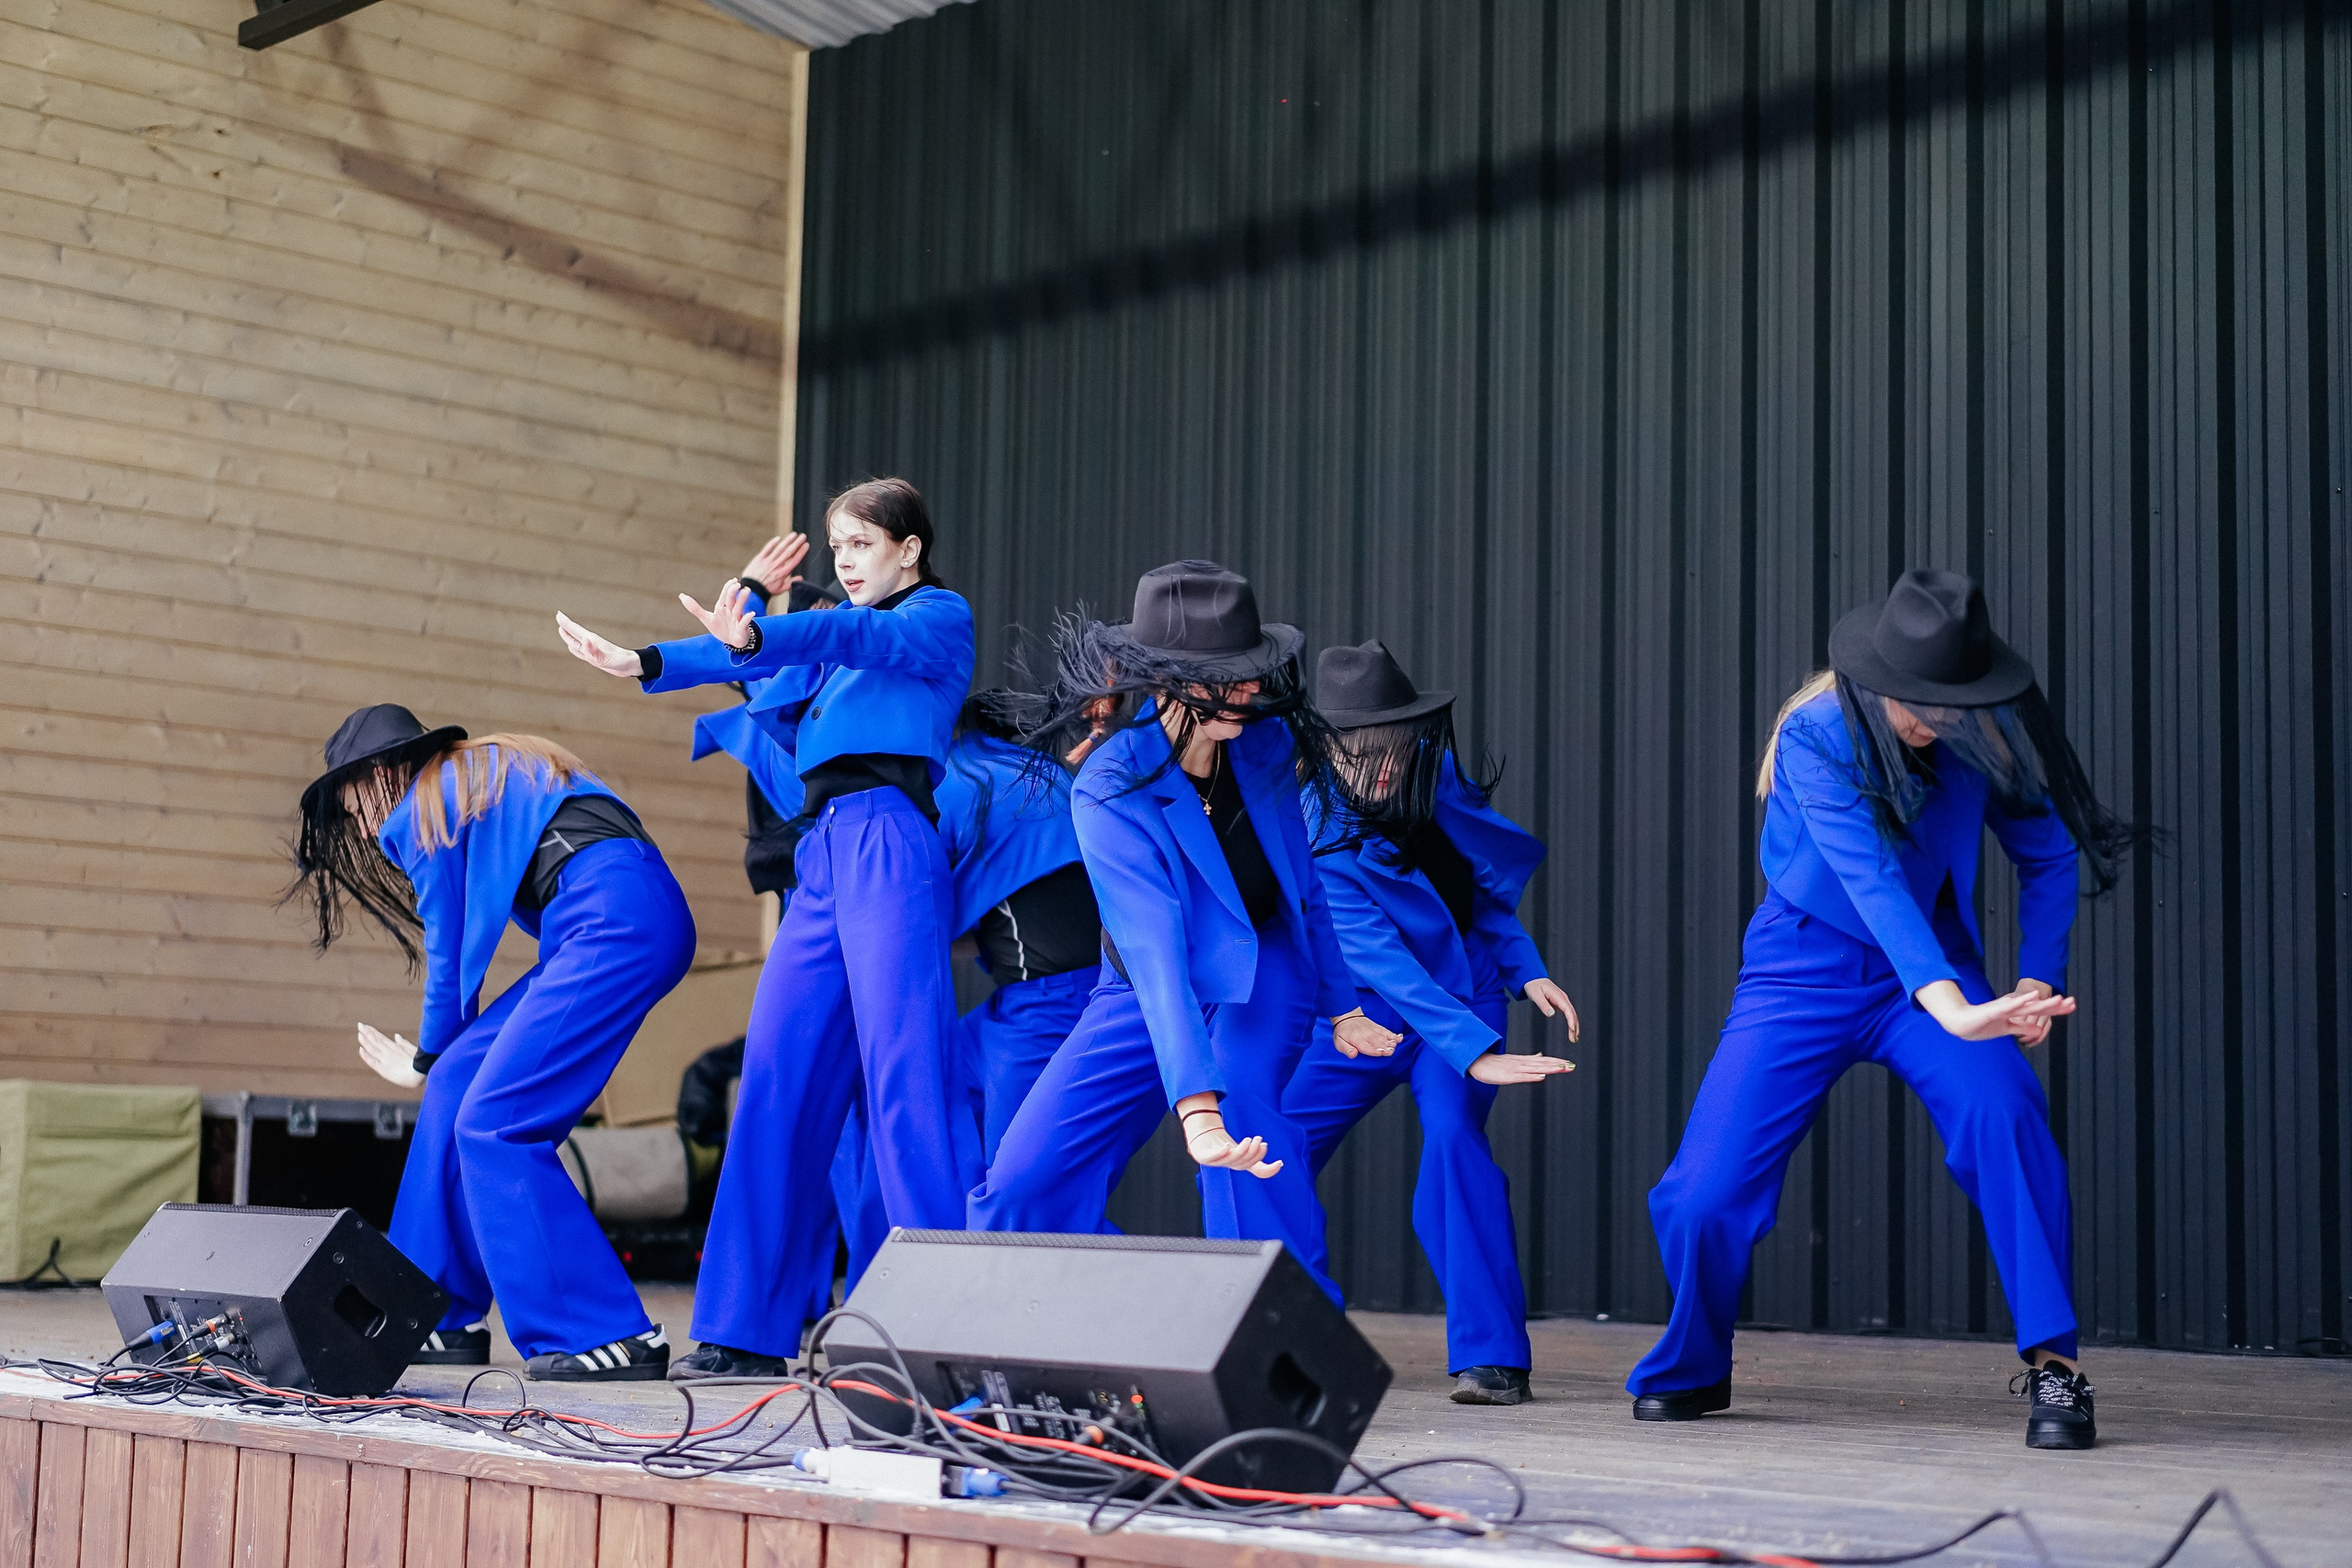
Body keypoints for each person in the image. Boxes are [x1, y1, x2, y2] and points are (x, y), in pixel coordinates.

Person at [1624, 570, 2146, 1450]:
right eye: (1918, 703)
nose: (1931, 719)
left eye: (1948, 703)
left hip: (1937, 962)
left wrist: (2030, 982)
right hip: (1804, 964)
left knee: (2007, 1113)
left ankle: (2057, 1369)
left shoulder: (1982, 728)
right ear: (1873, 679)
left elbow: (2049, 853)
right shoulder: (1814, 734)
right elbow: (1870, 881)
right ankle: (1693, 1363)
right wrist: (1949, 1006)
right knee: (1702, 1193)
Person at [556, 478, 977, 1380]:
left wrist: (759, 624)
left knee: (907, 1079)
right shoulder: (829, 644)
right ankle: (746, 1325)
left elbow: (840, 632)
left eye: (860, 544)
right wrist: (645, 660)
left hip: (890, 844)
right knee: (777, 1080)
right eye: (836, 547)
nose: (844, 562)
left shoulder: (935, 617)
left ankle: (940, 1331)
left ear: (908, 549)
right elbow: (753, 665)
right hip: (819, 860)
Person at [967, 561, 1401, 1303]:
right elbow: (1154, 952)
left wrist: (1344, 1007)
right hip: (1141, 983)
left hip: (1266, 967)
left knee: (1244, 1127)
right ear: (1169, 680)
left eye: (1251, 672)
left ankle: (1284, 1337)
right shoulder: (1109, 785)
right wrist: (1192, 1109)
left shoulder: (1261, 747)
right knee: (1024, 1173)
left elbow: (1304, 891)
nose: (1249, 690)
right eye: (1227, 678)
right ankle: (1000, 1335)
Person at [290, 705, 694, 1381]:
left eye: (351, 799)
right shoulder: (472, 774)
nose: (357, 821)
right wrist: (438, 1061)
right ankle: (429, 1309)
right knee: (458, 1085)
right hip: (609, 912)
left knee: (495, 1122)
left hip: (612, 918)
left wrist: (422, 1054)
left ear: (382, 773)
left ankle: (605, 1331)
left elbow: (450, 957)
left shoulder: (422, 807)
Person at [1282, 642, 1577, 1406]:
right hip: (1363, 1013)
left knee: (1452, 1140)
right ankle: (1291, 1341)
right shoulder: (1313, 831)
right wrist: (1477, 1054)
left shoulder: (1433, 778)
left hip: (1467, 993)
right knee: (1267, 1149)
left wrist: (1526, 966)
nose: (1379, 768)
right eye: (1357, 752)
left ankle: (1491, 1356)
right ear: (1324, 748)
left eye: (1392, 747)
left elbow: (1479, 889)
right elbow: (1383, 962)